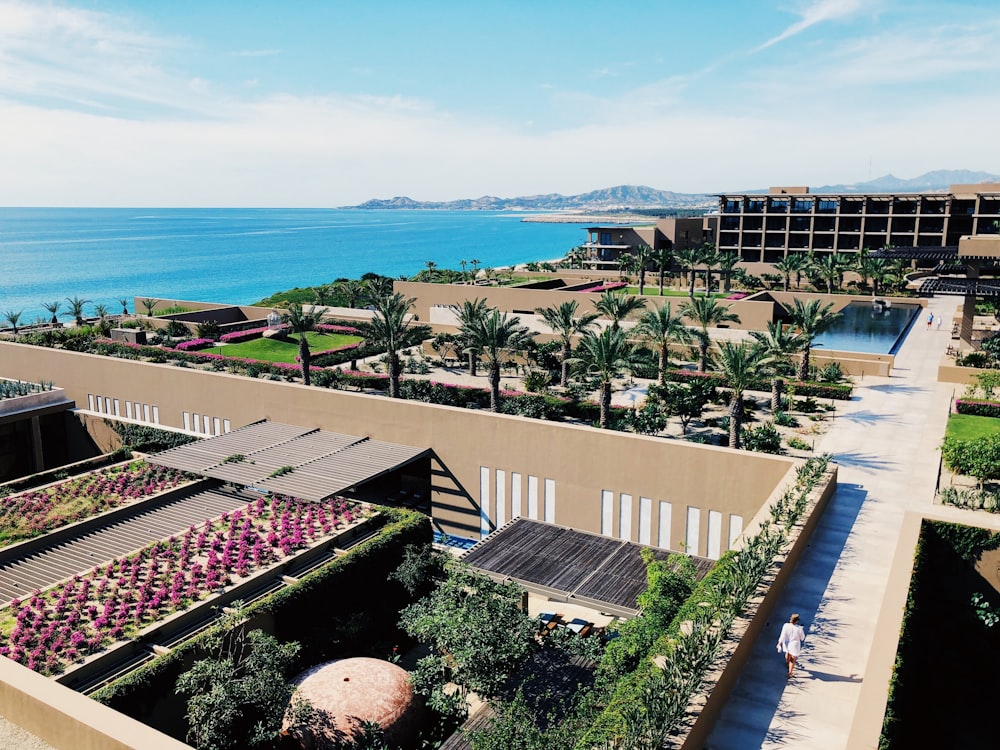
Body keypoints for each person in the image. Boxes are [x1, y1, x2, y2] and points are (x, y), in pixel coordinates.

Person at [776, 613, 806, 678]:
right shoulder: (799, 628)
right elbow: (802, 638)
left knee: (787, 653)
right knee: (793, 659)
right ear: (797, 621)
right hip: (795, 645)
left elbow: (782, 635)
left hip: (787, 643)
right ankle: (790, 672)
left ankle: (787, 663)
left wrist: (779, 643)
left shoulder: (786, 625)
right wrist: (802, 629)